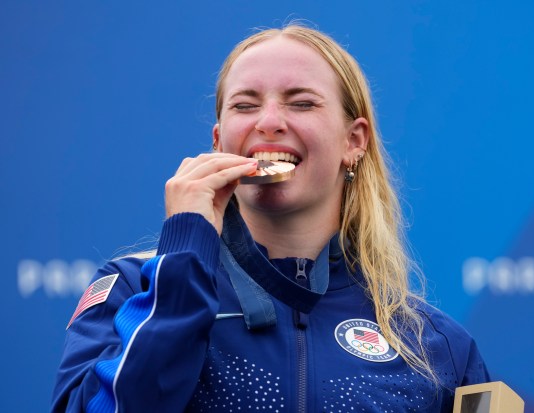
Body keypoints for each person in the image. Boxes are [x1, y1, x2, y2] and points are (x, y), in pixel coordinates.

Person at [51, 24, 489, 412]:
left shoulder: (434, 346)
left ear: (353, 142)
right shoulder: (134, 289)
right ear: (220, 141)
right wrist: (184, 258)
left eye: (301, 103)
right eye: (244, 105)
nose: (269, 121)